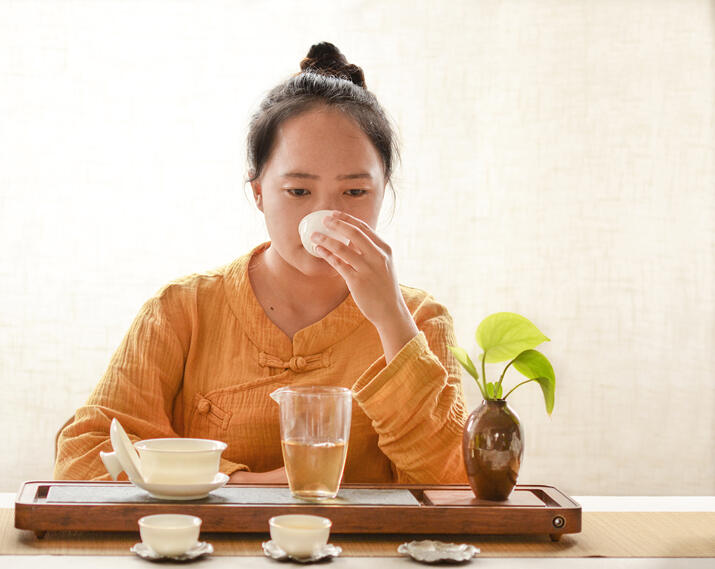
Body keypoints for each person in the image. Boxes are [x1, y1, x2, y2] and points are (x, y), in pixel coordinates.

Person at [54, 42, 467, 485]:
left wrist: (390, 318)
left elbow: (453, 483)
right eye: (298, 192)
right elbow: (83, 458)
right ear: (258, 193)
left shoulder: (420, 320)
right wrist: (251, 484)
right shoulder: (183, 310)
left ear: (383, 190)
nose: (325, 216)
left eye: (354, 192)